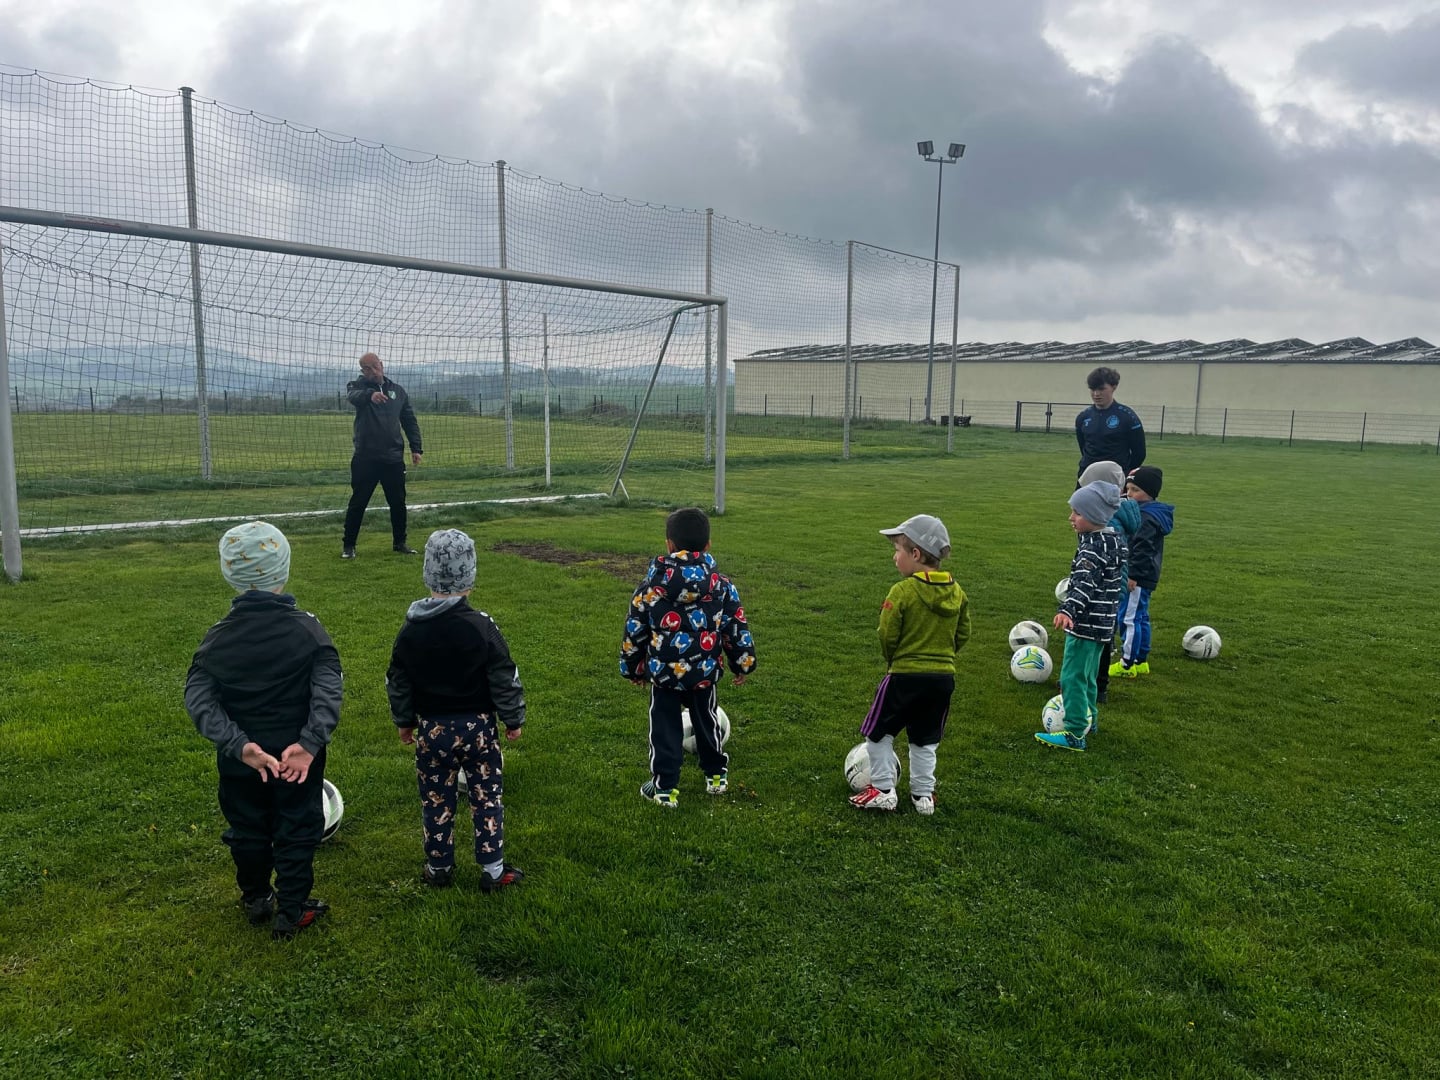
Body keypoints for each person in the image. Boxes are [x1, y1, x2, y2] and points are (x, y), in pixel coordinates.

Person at [185, 521, 342, 939]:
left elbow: (198, 698)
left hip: (243, 763)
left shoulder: (218, 639)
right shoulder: (308, 630)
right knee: (296, 828)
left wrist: (238, 746)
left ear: (229, 574)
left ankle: (256, 897)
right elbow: (329, 688)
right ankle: (292, 911)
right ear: (284, 570)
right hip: (296, 761)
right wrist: (309, 743)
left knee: (248, 828)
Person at [386, 529, 526, 891]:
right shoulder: (482, 627)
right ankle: (493, 871)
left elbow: (397, 680)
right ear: (471, 575)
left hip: (432, 731)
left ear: (428, 574)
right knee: (486, 798)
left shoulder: (411, 630)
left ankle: (439, 869)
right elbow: (503, 675)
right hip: (478, 729)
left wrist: (404, 721)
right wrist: (513, 717)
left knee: (435, 800)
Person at [619, 507, 757, 808]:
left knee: (665, 730)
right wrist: (742, 663)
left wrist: (633, 668)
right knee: (706, 722)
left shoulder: (649, 588)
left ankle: (664, 789)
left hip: (665, 676)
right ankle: (716, 777)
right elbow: (736, 627)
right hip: (703, 673)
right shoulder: (722, 585)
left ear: (668, 544)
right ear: (708, 545)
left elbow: (635, 630)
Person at [850, 514, 971, 815]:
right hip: (942, 679)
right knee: (925, 739)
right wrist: (945, 656)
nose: (895, 558)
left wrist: (895, 658)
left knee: (877, 733)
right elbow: (964, 632)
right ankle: (923, 797)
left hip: (904, 675)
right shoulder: (957, 592)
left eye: (898, 551)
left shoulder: (902, 591)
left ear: (915, 555)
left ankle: (883, 789)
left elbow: (887, 634)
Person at [1036, 482, 1124, 752]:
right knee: (1087, 677)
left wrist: (1067, 610)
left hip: (1085, 624)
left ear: (1096, 516)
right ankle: (1091, 720)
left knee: (1073, 676)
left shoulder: (1092, 548)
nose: (1071, 518)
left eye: (1078, 513)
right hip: (1104, 624)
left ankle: (1074, 732)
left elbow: (1084, 584)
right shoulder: (1113, 540)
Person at [342, 352, 423, 559]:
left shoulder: (397, 391)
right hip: (365, 458)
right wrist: (370, 396)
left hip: (393, 458)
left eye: (374, 366)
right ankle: (349, 546)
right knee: (358, 502)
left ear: (381, 365)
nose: (372, 371)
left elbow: (409, 420)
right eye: (366, 369)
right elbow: (353, 397)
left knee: (398, 502)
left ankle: (400, 542)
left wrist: (416, 448)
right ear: (362, 371)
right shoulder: (357, 387)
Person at [1077, 460, 1141, 706]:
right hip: (1113, 582)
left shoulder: (1106, 519)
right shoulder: (1118, 512)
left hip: (1102, 583)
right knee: (1103, 632)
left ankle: (1093, 683)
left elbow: (1100, 556)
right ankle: (1094, 683)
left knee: (1094, 634)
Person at [1109, 466, 1175, 679]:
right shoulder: (1152, 513)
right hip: (1146, 575)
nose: (1129, 494)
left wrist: (1133, 575)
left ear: (1150, 492)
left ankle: (1127, 664)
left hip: (1137, 577)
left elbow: (1143, 548)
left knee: (1128, 618)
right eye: (1127, 489)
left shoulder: (1145, 517)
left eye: (1135, 489)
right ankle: (1141, 661)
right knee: (1140, 616)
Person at [1075, 366, 1145, 480]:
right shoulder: (1083, 417)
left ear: (1114, 387)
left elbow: (1139, 453)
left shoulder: (1128, 417)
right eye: (1092, 389)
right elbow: (1083, 447)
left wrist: (1124, 473)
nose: (1096, 394)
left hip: (1115, 478)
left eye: (1101, 389)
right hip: (1087, 475)